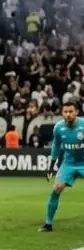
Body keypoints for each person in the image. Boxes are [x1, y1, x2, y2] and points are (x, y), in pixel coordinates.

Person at [41, 99, 84, 232]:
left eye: (71, 111)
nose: (68, 114)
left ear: (76, 112)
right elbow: (56, 146)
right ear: (62, 113)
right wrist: (51, 166)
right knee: (56, 189)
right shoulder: (58, 128)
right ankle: (48, 224)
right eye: (65, 112)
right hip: (69, 163)